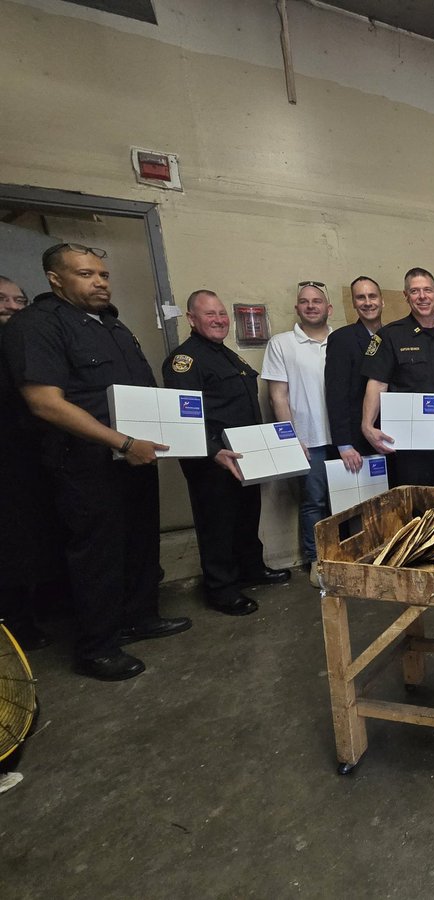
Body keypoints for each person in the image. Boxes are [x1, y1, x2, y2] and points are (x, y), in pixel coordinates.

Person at [2, 244, 190, 680]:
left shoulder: (112, 325)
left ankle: (140, 616)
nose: (100, 282)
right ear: (55, 278)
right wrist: (124, 443)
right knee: (98, 554)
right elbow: (45, 403)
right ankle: (97, 647)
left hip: (135, 458)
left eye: (103, 274)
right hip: (86, 463)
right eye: (86, 274)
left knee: (140, 542)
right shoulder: (37, 326)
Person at [162, 290, 290, 616]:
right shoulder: (185, 360)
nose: (219, 320)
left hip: (244, 455)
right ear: (191, 319)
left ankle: (251, 569)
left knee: (246, 517)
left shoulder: (226, 355)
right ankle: (221, 589)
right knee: (217, 525)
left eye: (222, 314)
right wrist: (212, 451)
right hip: (213, 461)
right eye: (209, 314)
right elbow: (182, 417)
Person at [360, 268, 434, 488]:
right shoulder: (390, 335)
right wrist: (367, 425)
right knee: (413, 504)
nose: (422, 296)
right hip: (409, 442)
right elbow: (378, 382)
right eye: (415, 291)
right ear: (406, 296)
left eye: (427, 290)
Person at [0, 276, 63, 650]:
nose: (11, 306)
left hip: (35, 457)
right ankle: (15, 624)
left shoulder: (29, 345)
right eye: (2, 299)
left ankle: (43, 606)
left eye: (18, 299)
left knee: (37, 535)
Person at [261, 281, 334, 586]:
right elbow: (278, 395)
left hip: (343, 439)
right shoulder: (281, 343)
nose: (311, 306)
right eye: (305, 301)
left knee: (348, 501)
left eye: (317, 301)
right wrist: (292, 439)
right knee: (313, 502)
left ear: (328, 308)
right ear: (297, 308)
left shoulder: (341, 340)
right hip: (309, 439)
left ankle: (346, 555)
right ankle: (317, 559)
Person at [325, 275, 384, 473]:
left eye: (372, 296)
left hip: (387, 437)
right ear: (353, 303)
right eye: (361, 298)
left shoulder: (392, 336)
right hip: (356, 443)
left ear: (382, 300)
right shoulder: (342, 339)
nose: (368, 303)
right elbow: (336, 394)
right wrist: (343, 445)